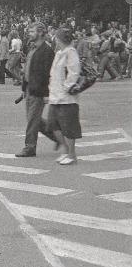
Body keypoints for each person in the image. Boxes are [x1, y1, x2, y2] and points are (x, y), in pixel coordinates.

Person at [16, 23, 58, 158]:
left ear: (40, 33)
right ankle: (59, 136)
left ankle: (30, 147)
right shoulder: (32, 48)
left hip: (38, 90)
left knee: (32, 120)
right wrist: (24, 88)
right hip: (29, 88)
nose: (29, 33)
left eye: (32, 31)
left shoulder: (47, 51)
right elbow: (28, 69)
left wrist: (46, 94)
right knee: (35, 120)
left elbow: (49, 73)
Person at [48, 28, 82, 165]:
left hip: (67, 98)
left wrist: (66, 87)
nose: (55, 40)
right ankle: (65, 150)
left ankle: (72, 155)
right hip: (54, 95)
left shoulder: (71, 52)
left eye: (56, 38)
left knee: (68, 127)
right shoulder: (59, 53)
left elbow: (74, 72)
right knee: (53, 125)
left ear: (60, 39)